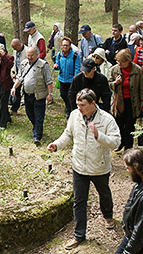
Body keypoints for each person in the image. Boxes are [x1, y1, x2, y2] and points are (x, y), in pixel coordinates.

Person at [47, 89, 121, 250]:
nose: (79, 107)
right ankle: (79, 235)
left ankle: (108, 215)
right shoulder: (74, 115)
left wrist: (98, 136)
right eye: (77, 104)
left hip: (99, 167)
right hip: (79, 166)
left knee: (104, 193)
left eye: (83, 105)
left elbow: (116, 143)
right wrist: (57, 144)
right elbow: (68, 135)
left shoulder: (107, 119)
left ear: (93, 104)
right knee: (79, 201)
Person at [11, 46, 53, 146]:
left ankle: (37, 136)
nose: (29, 57)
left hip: (39, 95)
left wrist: (50, 94)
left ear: (37, 54)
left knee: (39, 116)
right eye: (28, 55)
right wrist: (14, 87)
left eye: (31, 55)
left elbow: (49, 81)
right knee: (29, 113)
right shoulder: (24, 64)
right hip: (27, 94)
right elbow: (20, 77)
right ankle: (37, 128)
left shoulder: (43, 65)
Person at [109, 49, 143, 151]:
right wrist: (115, 83)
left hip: (132, 102)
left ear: (128, 61)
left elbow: (142, 87)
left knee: (130, 126)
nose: (119, 63)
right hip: (119, 102)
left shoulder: (137, 70)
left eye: (121, 61)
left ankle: (128, 147)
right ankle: (120, 143)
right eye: (118, 61)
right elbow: (109, 84)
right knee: (119, 124)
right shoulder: (114, 70)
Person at [53, 37, 81, 118]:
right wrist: (56, 66)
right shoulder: (59, 55)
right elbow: (57, 65)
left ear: (70, 46)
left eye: (66, 45)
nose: (65, 47)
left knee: (71, 96)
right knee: (63, 94)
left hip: (71, 80)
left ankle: (70, 110)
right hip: (62, 79)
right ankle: (68, 107)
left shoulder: (75, 56)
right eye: (63, 45)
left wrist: (75, 79)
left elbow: (77, 68)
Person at [10, 39, 28, 114]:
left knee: (24, 91)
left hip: (25, 74)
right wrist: (14, 72)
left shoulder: (27, 51)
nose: (14, 49)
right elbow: (15, 61)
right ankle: (14, 108)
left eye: (14, 48)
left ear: (19, 45)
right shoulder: (15, 51)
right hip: (18, 73)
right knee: (17, 91)